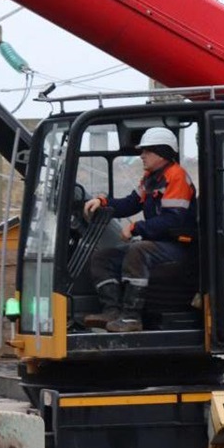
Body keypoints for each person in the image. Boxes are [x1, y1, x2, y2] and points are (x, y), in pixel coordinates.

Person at [82, 127, 197, 332]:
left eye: (147, 151)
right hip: (159, 245)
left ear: (161, 152)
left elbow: (173, 220)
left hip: (178, 247)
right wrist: (103, 202)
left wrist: (136, 227)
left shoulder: (176, 177)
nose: (142, 155)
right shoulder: (151, 178)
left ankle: (131, 317)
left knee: (138, 251)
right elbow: (130, 203)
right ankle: (112, 311)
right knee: (103, 258)